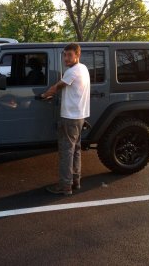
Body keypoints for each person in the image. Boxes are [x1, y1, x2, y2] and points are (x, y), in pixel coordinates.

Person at [41, 43, 90, 195]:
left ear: (77, 55)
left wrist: (43, 95)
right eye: (64, 55)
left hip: (70, 118)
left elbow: (56, 87)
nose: (66, 58)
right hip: (80, 116)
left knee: (66, 152)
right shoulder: (83, 68)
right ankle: (76, 181)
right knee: (75, 150)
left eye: (69, 55)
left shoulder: (72, 71)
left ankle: (65, 186)